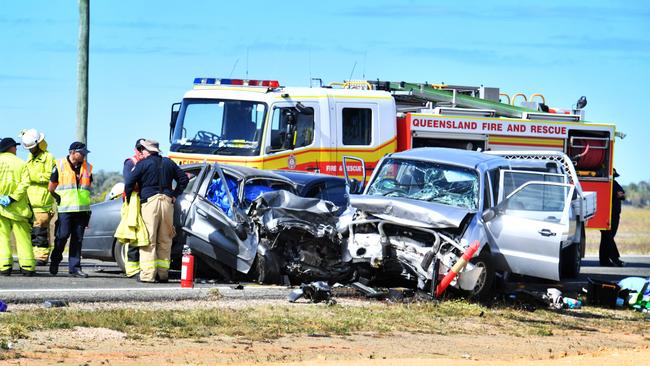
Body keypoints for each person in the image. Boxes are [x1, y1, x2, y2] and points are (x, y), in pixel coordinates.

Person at [124, 139, 188, 283]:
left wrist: (129, 199)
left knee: (148, 240)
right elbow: (183, 179)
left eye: (142, 149)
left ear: (146, 150)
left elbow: (129, 182)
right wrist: (174, 195)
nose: (141, 152)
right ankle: (163, 274)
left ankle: (148, 275)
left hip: (149, 204)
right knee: (165, 240)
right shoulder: (168, 162)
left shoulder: (143, 164)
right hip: (166, 203)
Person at [48, 142, 93, 278]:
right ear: (72, 152)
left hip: (82, 210)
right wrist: (58, 198)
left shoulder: (88, 167)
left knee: (77, 239)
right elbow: (51, 187)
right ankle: (55, 261)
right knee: (62, 236)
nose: (84, 155)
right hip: (65, 210)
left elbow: (87, 188)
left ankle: (75, 267)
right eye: (82, 153)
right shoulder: (60, 165)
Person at [20, 129, 56, 266]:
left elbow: (50, 176)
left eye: (32, 147)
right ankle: (33, 255)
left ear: (39, 144)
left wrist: (31, 176)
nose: (30, 150)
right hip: (29, 201)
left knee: (40, 231)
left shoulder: (49, 157)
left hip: (42, 202)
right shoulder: (30, 158)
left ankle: (41, 257)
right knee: (32, 233)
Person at [0, 137, 36, 276]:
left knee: (2, 238)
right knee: (23, 239)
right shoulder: (22, 163)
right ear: (10, 148)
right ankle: (27, 266)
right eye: (15, 146)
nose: (16, 149)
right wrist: (12, 197)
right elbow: (25, 183)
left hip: (1, 209)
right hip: (19, 209)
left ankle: (4, 266)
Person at [121, 138, 146, 277]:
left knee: (142, 236)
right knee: (132, 235)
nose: (142, 151)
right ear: (136, 149)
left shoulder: (146, 161)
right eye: (140, 148)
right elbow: (130, 182)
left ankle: (140, 266)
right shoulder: (131, 162)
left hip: (142, 200)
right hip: (132, 201)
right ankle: (131, 269)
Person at [600, 169, 625, 267]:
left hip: (605, 215)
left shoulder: (607, 184)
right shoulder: (614, 184)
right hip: (612, 216)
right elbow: (621, 194)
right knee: (609, 237)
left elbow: (621, 195)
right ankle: (615, 258)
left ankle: (604, 260)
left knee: (605, 238)